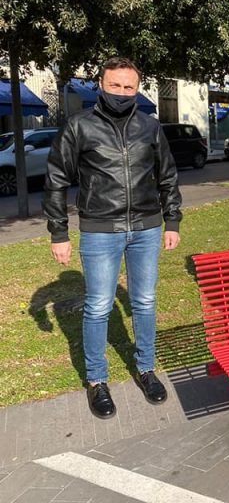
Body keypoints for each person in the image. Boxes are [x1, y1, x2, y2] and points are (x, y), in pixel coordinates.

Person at [43, 56, 182, 419]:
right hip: (99, 231)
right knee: (99, 306)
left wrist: (173, 221)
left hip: (147, 229)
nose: (122, 93)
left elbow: (167, 176)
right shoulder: (79, 127)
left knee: (145, 302)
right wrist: (59, 232)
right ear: (101, 86)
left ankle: (146, 368)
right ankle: (96, 380)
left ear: (137, 89)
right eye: (115, 86)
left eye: (129, 87)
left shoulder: (150, 127)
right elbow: (57, 178)